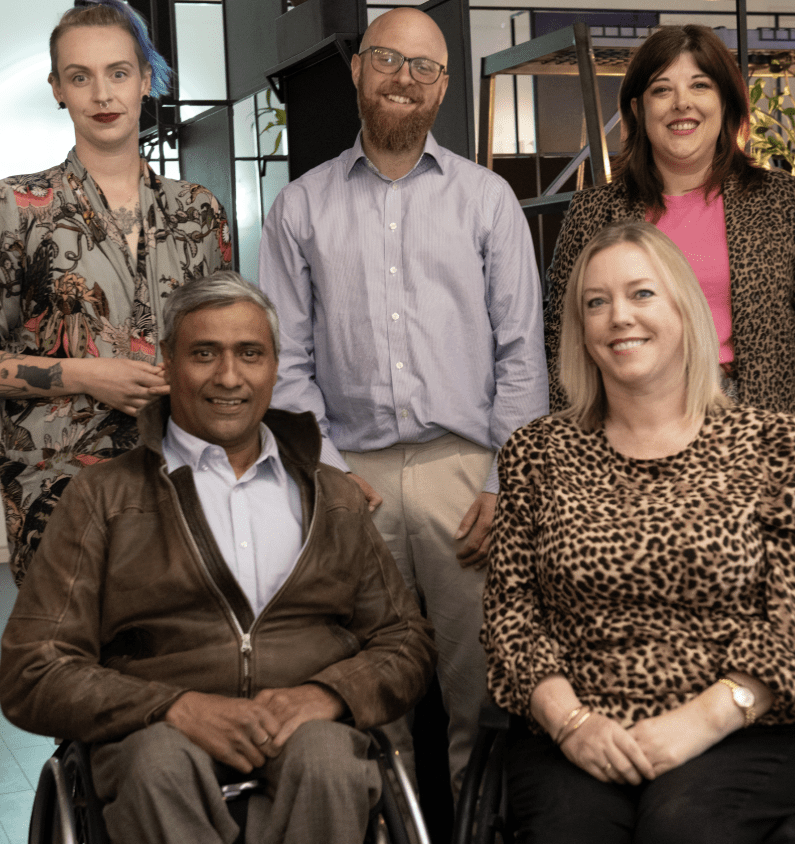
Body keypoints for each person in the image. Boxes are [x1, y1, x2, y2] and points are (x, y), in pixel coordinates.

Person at [0, 272, 436, 844]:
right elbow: (32, 668)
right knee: (157, 762)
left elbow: (406, 641)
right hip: (152, 739)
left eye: (249, 354)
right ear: (168, 363)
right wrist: (173, 707)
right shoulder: (103, 497)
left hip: (308, 731)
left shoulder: (332, 495)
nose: (229, 377)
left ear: (275, 367)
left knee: (328, 757)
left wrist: (328, 694)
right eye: (204, 353)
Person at [258, 6, 548, 793]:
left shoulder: (489, 202)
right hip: (352, 480)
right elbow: (285, 362)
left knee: (481, 695)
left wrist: (504, 481)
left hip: (468, 472)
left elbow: (524, 354)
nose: (403, 79)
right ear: (357, 70)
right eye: (387, 59)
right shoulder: (300, 209)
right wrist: (325, 471)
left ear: (443, 86)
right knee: (369, 697)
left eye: (423, 67)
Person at [482, 220, 795, 843]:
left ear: (684, 308)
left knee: (685, 826)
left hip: (738, 726)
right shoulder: (535, 454)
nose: (619, 316)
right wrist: (571, 722)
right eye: (597, 303)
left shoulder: (768, 443)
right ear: (582, 329)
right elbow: (511, 615)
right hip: (576, 729)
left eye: (641, 294)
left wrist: (701, 721)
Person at [542, 24, 795, 544]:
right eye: (662, 88)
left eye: (700, 85)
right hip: (631, 448)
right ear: (638, 109)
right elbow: (560, 348)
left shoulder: (782, 202)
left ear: (727, 102)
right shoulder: (595, 213)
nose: (681, 104)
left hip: (765, 458)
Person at [0, 0, 230, 584]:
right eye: (80, 77)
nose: (102, 94)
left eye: (118, 73)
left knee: (185, 659)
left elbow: (223, 346)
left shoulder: (199, 212)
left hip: (185, 472)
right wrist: (86, 374)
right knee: (74, 665)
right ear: (57, 89)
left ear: (145, 80)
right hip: (58, 489)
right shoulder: (16, 208)